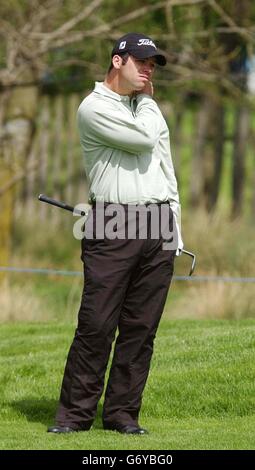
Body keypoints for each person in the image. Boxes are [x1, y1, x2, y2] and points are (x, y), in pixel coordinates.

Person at [48, 32, 183, 435]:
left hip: (159, 223)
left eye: (152, 65)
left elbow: (164, 166)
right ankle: (74, 417)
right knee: (97, 325)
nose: (147, 69)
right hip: (113, 221)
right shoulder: (95, 107)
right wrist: (147, 102)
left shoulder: (145, 108)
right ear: (117, 61)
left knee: (141, 329)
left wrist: (176, 227)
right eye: (141, 61)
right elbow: (144, 140)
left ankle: (123, 415)